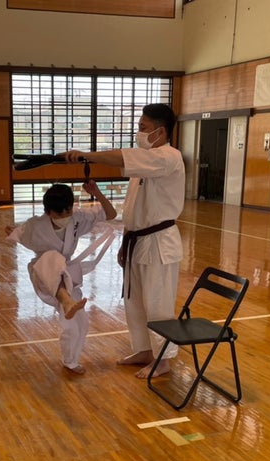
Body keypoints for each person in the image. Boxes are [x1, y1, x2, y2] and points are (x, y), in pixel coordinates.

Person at [64, 103, 185, 379]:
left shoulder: (168, 157)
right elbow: (134, 207)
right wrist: (125, 240)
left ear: (160, 131)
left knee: (157, 303)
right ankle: (144, 349)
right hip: (137, 240)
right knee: (135, 301)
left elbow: (120, 157)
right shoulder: (146, 161)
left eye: (143, 127)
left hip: (159, 243)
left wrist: (86, 155)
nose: (138, 132)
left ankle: (163, 359)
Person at [6, 182, 117, 375]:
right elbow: (17, 232)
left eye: (68, 210)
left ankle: (71, 361)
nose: (65, 216)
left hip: (67, 274)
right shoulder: (35, 225)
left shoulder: (77, 218)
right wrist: (12, 231)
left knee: (79, 324)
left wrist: (96, 192)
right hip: (43, 272)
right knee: (52, 257)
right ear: (48, 212)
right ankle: (65, 300)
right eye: (60, 213)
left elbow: (111, 214)